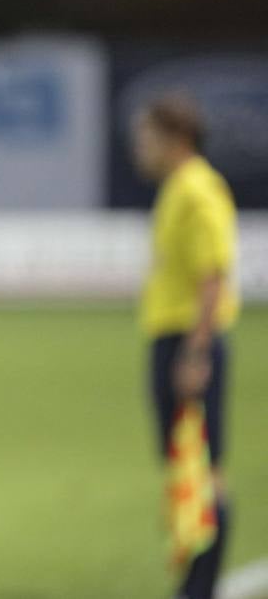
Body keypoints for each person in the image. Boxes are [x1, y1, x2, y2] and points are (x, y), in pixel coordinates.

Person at [131, 92, 238, 599]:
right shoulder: (179, 188)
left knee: (203, 464)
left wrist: (195, 353)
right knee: (187, 462)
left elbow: (212, 276)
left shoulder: (198, 190)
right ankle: (196, 580)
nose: (140, 147)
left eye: (148, 136)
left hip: (189, 341)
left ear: (175, 138)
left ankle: (202, 584)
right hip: (175, 338)